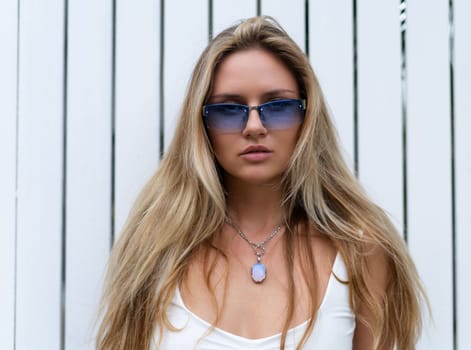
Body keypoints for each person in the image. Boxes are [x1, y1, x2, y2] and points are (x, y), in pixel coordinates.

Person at [96, 16, 427, 350]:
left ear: (306, 117)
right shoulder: (157, 249)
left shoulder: (362, 251)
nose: (253, 126)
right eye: (229, 109)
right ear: (202, 124)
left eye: (278, 106)